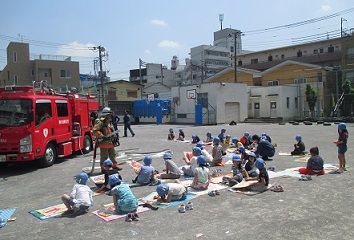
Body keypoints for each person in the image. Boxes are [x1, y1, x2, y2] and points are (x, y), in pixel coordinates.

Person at [92, 107, 121, 173]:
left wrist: (115, 136)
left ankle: (114, 166)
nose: (111, 115)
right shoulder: (100, 121)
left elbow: (110, 129)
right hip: (104, 142)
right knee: (104, 156)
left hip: (110, 141)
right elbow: (95, 131)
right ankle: (103, 169)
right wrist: (102, 136)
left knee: (113, 155)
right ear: (106, 114)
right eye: (110, 114)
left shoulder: (109, 120)